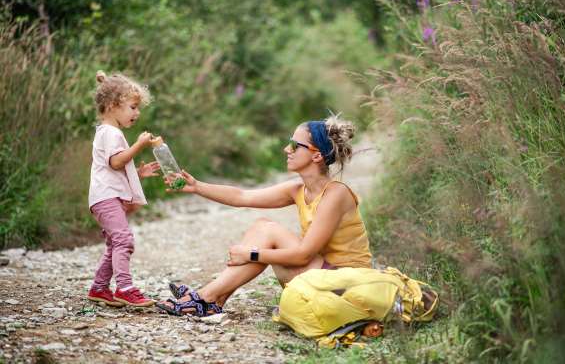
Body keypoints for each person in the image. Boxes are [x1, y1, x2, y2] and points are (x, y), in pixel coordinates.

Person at [155, 113, 373, 317]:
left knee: (270, 232)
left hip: (347, 290)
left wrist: (252, 254)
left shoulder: (335, 193)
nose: (287, 149)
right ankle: (214, 302)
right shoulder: (298, 190)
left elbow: (305, 255)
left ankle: (203, 298)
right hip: (324, 278)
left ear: (317, 155)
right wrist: (196, 186)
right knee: (260, 223)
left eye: (296, 145)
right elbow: (242, 197)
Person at [87, 70, 161, 308]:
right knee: (124, 240)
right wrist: (139, 146)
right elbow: (116, 162)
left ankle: (99, 288)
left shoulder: (109, 132)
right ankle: (125, 288)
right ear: (112, 106)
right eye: (133, 107)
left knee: (115, 243)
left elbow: (114, 168)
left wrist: (137, 173)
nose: (137, 113)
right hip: (106, 198)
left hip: (105, 196)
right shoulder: (110, 132)